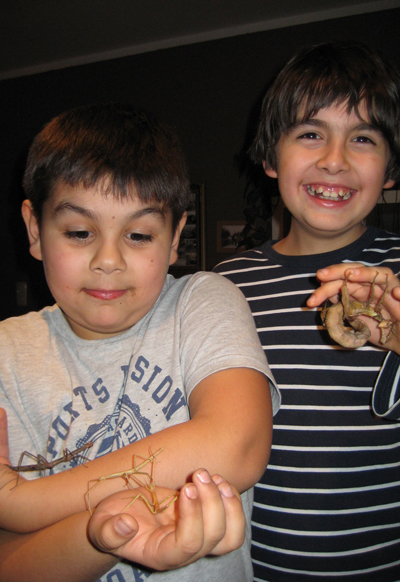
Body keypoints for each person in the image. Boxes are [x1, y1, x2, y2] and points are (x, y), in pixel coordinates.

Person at [0, 103, 280, 582]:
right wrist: (106, 527)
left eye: (138, 234)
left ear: (173, 241)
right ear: (34, 230)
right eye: (80, 232)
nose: (108, 259)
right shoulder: (7, 352)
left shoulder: (201, 301)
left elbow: (238, 444)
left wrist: (24, 505)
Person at [214, 41, 400, 581]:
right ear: (271, 157)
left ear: (390, 169)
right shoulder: (222, 289)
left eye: (363, 138)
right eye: (311, 133)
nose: (335, 159)